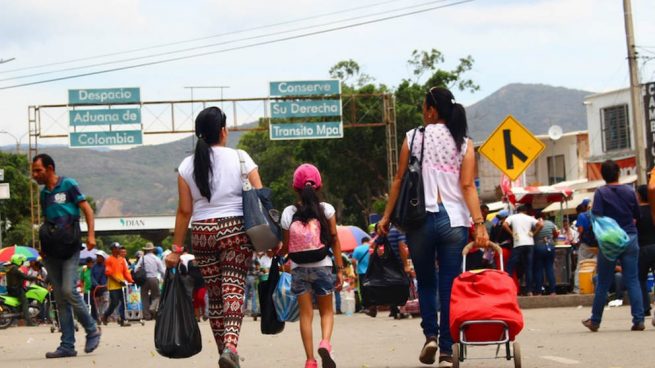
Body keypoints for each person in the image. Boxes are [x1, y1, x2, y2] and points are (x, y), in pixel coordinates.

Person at [377, 87, 489, 367]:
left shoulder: (413, 137)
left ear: (432, 111)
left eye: (424, 108)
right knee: (450, 286)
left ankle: (430, 337)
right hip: (454, 222)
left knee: (425, 281)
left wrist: (386, 217)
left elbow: (399, 180)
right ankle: (448, 353)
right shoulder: (464, 142)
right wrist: (480, 224)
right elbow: (467, 186)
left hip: (420, 220)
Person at [166, 106, 262, 368]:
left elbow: (185, 210)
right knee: (233, 290)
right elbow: (260, 195)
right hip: (234, 230)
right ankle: (231, 346)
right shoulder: (241, 158)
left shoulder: (187, 165)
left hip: (202, 233)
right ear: (222, 131)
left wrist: (176, 248)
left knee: (216, 297)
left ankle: (224, 353)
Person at [32, 153, 101, 358]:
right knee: (60, 298)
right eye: (34, 171)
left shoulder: (68, 184)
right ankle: (67, 345)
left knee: (69, 291)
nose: (35, 175)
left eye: (38, 170)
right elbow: (47, 221)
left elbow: (87, 209)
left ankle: (92, 329)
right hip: (51, 251)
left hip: (70, 247)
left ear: (50, 168)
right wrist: (42, 248)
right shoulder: (44, 194)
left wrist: (91, 235)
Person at [279, 163, 344, 368]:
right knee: (326, 311)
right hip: (323, 266)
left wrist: (276, 253)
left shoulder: (289, 212)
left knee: (306, 315)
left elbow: (286, 246)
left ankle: (310, 360)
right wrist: (340, 270)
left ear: (294, 187)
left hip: (299, 269)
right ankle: (325, 342)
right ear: (318, 186)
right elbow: (334, 239)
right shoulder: (326, 209)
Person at [582, 160, 644, 332]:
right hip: (630, 237)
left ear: (603, 175)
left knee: (603, 281)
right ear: (618, 173)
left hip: (609, 241)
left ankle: (595, 321)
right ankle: (638, 320)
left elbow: (596, 215)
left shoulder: (601, 193)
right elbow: (637, 214)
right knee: (632, 279)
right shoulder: (630, 191)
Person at [503, 205, 542, 296]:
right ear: (525, 211)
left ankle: (508, 288)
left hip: (518, 244)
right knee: (529, 268)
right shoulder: (529, 218)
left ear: (518, 211)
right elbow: (540, 225)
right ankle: (529, 291)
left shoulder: (512, 217)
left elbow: (504, 225)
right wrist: (533, 233)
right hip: (529, 244)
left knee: (510, 266)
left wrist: (512, 233)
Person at [101, 242, 134, 327]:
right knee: (114, 303)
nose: (119, 249)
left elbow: (125, 272)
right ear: (113, 250)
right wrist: (118, 281)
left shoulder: (122, 259)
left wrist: (131, 280)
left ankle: (123, 320)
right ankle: (106, 315)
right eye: (117, 248)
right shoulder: (109, 260)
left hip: (122, 284)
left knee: (124, 302)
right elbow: (109, 273)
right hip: (113, 285)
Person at [636, 184, 655, 324]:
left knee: (640, 279)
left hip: (642, 249)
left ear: (639, 196)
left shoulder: (636, 212)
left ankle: (645, 307)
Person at [134, 242, 165, 320]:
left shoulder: (142, 258)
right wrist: (164, 278)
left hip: (144, 280)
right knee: (157, 295)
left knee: (144, 297)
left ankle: (147, 316)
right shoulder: (156, 258)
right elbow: (162, 271)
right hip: (154, 278)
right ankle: (153, 307)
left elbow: (135, 269)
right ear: (152, 250)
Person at [5, 254, 39, 326]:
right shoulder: (16, 269)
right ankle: (29, 322)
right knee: (25, 302)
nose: (23, 263)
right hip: (17, 290)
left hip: (11, 289)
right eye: (22, 261)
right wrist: (35, 277)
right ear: (19, 261)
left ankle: (20, 316)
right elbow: (24, 276)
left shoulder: (10, 268)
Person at [532, 211, 558, 295]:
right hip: (550, 246)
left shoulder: (534, 224)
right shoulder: (550, 223)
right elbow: (555, 234)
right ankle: (552, 291)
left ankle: (539, 291)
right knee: (549, 268)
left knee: (539, 269)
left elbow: (532, 235)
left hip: (539, 246)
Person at [351, 237, 375, 316]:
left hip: (362, 272)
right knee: (372, 288)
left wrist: (355, 269)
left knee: (363, 289)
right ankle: (373, 305)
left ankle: (366, 306)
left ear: (362, 242)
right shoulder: (372, 247)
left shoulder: (357, 249)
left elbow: (353, 260)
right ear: (368, 241)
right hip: (372, 271)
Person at [91, 251, 108, 321]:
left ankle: (104, 316)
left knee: (105, 301)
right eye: (97, 256)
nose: (98, 258)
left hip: (104, 287)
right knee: (96, 303)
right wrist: (96, 284)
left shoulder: (106, 266)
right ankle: (97, 317)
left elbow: (108, 276)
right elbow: (91, 277)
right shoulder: (93, 267)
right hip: (96, 288)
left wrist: (106, 284)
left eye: (99, 257)